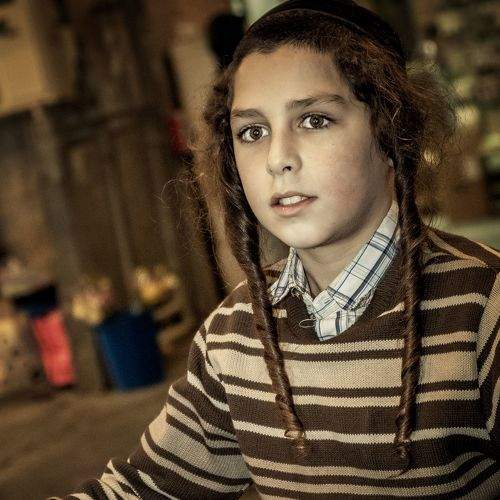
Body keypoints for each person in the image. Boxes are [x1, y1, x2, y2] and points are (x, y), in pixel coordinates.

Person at [52, 0, 499, 498]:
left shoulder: (484, 309)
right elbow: (143, 488)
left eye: (314, 120)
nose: (277, 158)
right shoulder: (233, 337)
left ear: (393, 132)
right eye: (253, 132)